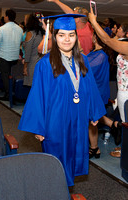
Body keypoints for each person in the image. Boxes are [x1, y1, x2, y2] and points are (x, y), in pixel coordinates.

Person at [18, 13, 106, 186]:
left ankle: (64, 190)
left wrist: (94, 112)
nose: (67, 39)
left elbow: (90, 88)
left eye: (71, 35)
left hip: (78, 119)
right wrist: (39, 127)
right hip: (55, 121)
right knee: (55, 161)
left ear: (76, 37)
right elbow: (38, 95)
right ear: (54, 36)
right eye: (61, 35)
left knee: (74, 155)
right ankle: (55, 190)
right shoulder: (45, 63)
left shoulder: (83, 60)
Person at [89, 8, 128, 157]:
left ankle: (125, 150)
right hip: (121, 89)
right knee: (124, 123)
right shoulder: (122, 43)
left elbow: (106, 40)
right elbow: (106, 38)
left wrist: (93, 20)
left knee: (126, 123)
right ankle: (124, 146)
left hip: (126, 91)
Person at [0, 9, 23, 101]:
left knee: (5, 77)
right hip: (15, 57)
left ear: (7, 17)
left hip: (4, 56)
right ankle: (11, 92)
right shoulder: (19, 29)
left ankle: (8, 95)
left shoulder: (2, 29)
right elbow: (20, 42)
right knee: (12, 76)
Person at [23, 13, 45, 87]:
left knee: (33, 87)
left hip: (32, 64)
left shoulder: (30, 34)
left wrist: (25, 67)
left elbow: (28, 53)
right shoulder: (42, 34)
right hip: (42, 63)